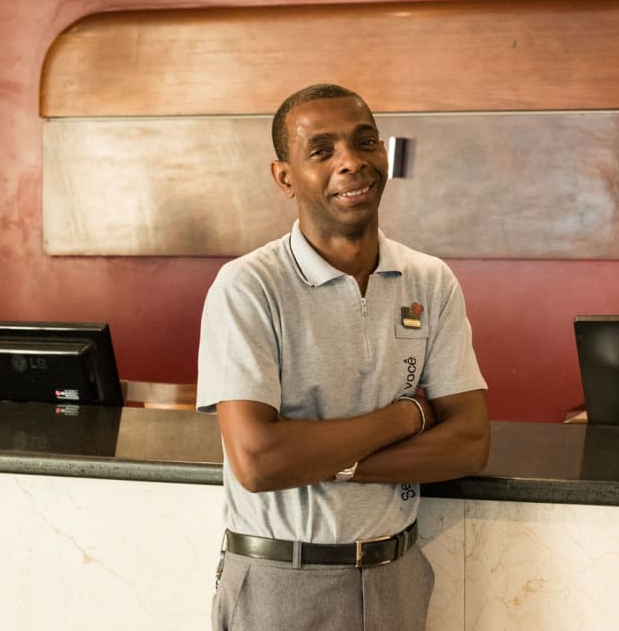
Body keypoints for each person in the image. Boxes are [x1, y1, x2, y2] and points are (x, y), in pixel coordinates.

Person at [196, 83, 490, 631]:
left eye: (366, 142)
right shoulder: (248, 287)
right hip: (281, 581)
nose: (352, 163)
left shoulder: (430, 280)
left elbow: (470, 443)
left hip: (395, 575)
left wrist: (331, 460)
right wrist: (412, 416)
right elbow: (260, 461)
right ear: (284, 177)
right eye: (322, 150)